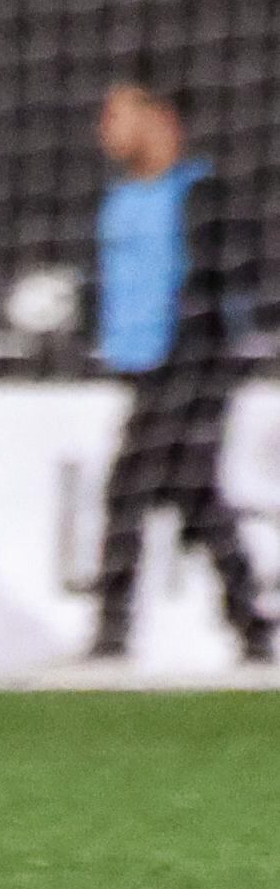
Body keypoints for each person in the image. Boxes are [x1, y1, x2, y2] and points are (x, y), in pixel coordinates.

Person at [88, 72, 269, 665]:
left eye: (118, 114)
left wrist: (201, 351)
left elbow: (228, 288)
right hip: (146, 369)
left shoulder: (200, 195)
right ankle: (254, 630)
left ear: (158, 118)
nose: (104, 130)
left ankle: (111, 639)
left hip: (192, 365)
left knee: (128, 487)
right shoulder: (116, 201)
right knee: (193, 495)